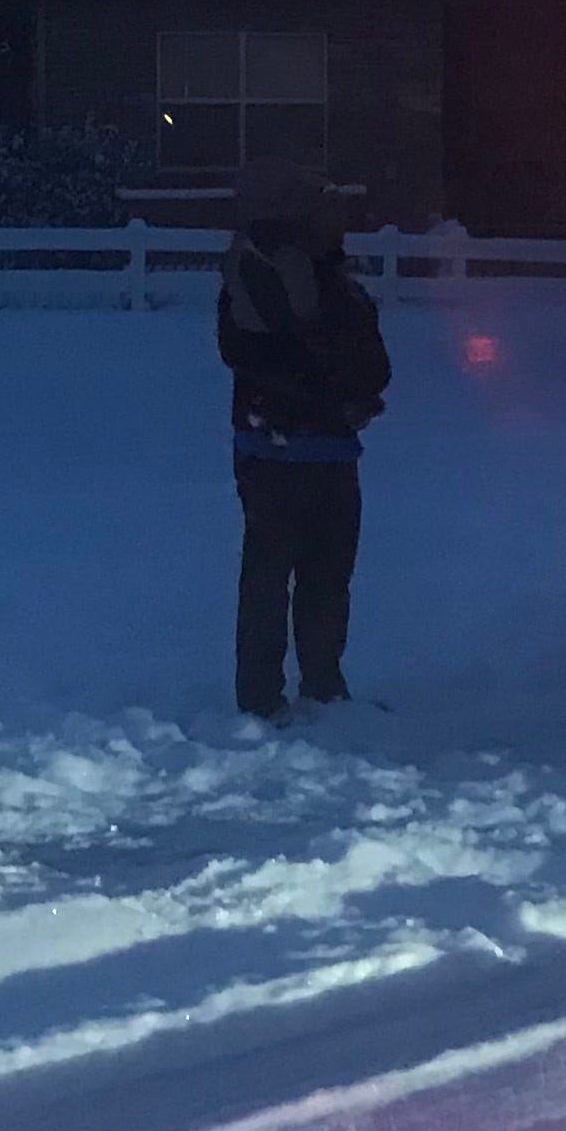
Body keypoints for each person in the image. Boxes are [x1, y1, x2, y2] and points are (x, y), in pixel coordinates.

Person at [216, 159, 390, 724]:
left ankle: (306, 686)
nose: (340, 221)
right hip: (287, 447)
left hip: (307, 446)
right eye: (329, 210)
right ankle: (274, 693)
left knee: (309, 574)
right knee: (292, 575)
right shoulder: (271, 275)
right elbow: (267, 357)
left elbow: (368, 363)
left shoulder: (313, 278)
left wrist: (344, 388)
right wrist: (336, 395)